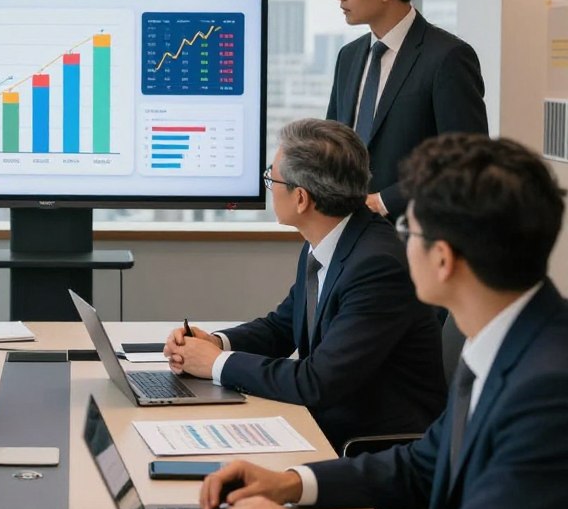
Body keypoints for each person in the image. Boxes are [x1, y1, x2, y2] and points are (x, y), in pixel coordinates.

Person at [199, 134, 568, 509]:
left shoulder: (547, 389)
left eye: (408, 229)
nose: (398, 242)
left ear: (443, 260)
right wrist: (291, 484)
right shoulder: (505, 341)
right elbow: (423, 464)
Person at [164, 118, 445, 451]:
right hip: (327, 422)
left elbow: (317, 382)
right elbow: (282, 327)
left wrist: (214, 364)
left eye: (271, 178)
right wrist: (216, 342)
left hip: (371, 446)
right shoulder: (329, 239)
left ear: (301, 199)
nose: (269, 186)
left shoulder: (377, 265)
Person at [326, 0, 487, 217]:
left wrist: (383, 201)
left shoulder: (447, 57)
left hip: (412, 236)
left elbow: (467, 161)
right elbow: (333, 143)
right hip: (348, 232)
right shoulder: (348, 57)